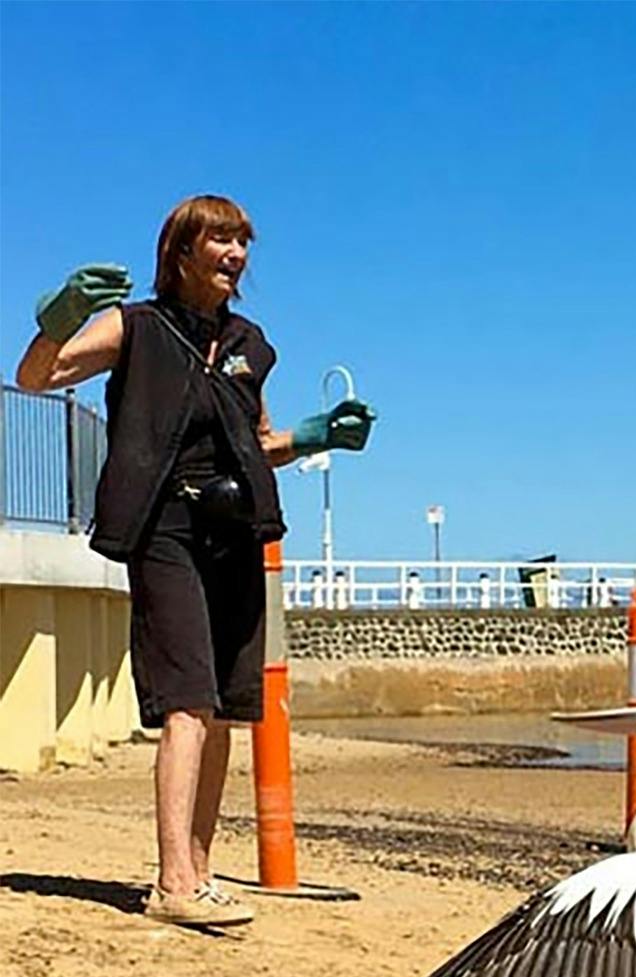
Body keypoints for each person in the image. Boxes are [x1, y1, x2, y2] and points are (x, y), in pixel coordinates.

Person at [13, 195, 373, 929]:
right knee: (185, 703)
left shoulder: (249, 342)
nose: (236, 254)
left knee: (221, 713)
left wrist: (315, 437)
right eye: (221, 239)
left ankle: (200, 875)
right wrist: (57, 319)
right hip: (166, 527)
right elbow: (36, 378)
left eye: (243, 241)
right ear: (181, 252)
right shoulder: (137, 326)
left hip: (236, 532)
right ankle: (173, 882)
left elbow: (259, 439)